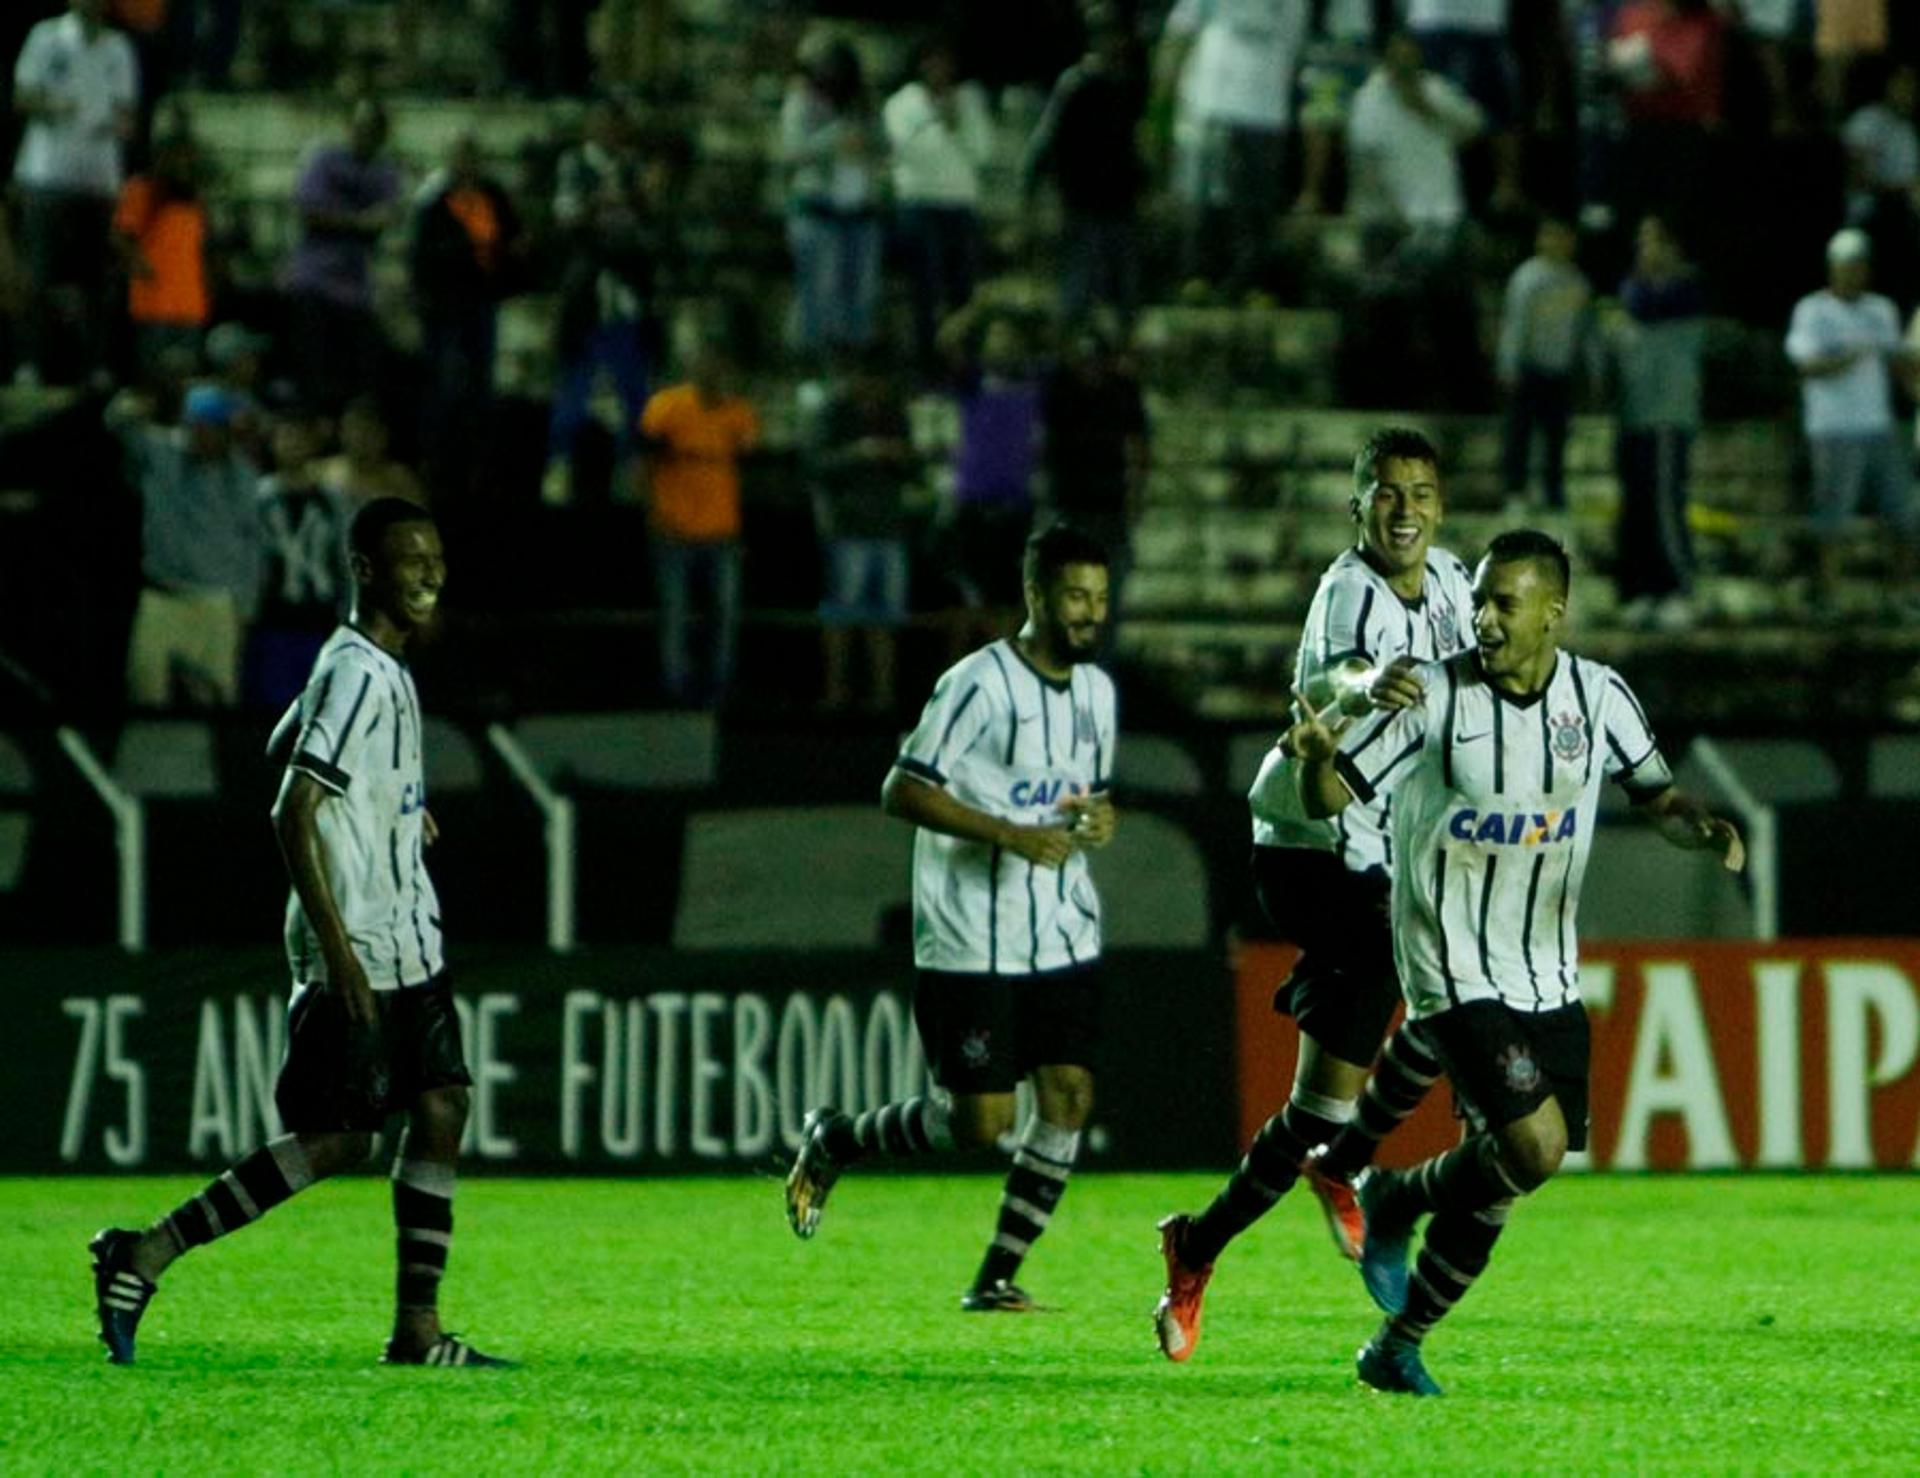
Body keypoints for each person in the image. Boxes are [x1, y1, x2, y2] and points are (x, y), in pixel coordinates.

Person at [1288, 527, 1743, 1396]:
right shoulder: (1433, 698)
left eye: (1503, 603)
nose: (1483, 619)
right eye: (1480, 600)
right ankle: (1388, 1197)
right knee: (1530, 1146)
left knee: (1507, 1179)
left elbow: (1657, 793)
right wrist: (1314, 766)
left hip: (1546, 966)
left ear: (1553, 614)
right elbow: (1334, 791)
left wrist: (1701, 827)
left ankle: (1398, 1339)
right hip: (1447, 956)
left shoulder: (1600, 698)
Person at [90, 497, 511, 1369]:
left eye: (436, 556)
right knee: (338, 1139)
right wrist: (338, 944)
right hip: (355, 937)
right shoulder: (357, 670)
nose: (431, 572)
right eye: (410, 559)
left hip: (408, 938)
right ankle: (144, 1253)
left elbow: (287, 741)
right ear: (364, 569)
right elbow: (291, 806)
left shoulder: (376, 667)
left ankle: (418, 1333)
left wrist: (397, 803)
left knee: (441, 1106)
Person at [1152, 426, 1476, 1363]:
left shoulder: (1453, 585)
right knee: (1422, 964)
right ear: (1358, 504)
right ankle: (1354, 1170)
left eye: (1420, 490)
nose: (1404, 507)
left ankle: (1198, 1245)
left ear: (1440, 505)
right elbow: (1337, 673)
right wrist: (1376, 684)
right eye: (1386, 491)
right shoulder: (1347, 591)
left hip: (1381, 858)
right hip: (1306, 841)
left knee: (1316, 1111)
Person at [784, 523, 1118, 1313]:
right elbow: (902, 787)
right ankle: (837, 1140)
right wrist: (1007, 832)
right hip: (972, 935)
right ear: (1036, 595)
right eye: (1075, 596)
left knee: (1068, 1096)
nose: (1089, 614)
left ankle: (997, 1277)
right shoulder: (978, 683)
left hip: (1061, 929)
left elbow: (1083, 798)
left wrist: (1099, 822)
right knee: (980, 1124)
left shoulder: (1099, 692)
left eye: (1100, 599)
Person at [1786, 227, 1918, 608]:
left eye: (1859, 266)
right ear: (1833, 269)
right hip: (1833, 430)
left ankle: (1901, 596)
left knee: (1905, 514)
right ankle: (1828, 596)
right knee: (1833, 518)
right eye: (1846, 266)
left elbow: (1898, 361)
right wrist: (1848, 357)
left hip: (1878, 427)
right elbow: (1806, 364)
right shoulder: (1812, 311)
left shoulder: (1881, 310)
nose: (1853, 273)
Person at [11, 0, 139, 386]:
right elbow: (22, 97)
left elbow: (127, 113)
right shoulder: (46, 37)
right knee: (41, 277)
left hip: (98, 179)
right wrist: (56, 106)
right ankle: (31, 363)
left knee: (96, 281)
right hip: (48, 175)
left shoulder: (118, 47)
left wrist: (115, 123)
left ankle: (94, 366)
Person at [115, 382, 263, 709]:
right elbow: (117, 423)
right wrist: (131, 405)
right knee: (146, 696)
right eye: (196, 426)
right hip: (162, 596)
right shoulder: (161, 452)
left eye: (213, 428)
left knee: (216, 698)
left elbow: (251, 545)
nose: (204, 435)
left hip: (216, 602)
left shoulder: (242, 475)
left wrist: (246, 606)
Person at [638, 344, 759, 706]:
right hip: (674, 530)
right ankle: (675, 688)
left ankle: (720, 688)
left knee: (725, 615)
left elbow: (750, 456)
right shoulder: (667, 406)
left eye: (721, 368)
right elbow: (644, 462)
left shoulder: (738, 412)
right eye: (708, 366)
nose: (715, 374)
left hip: (722, 531)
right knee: (675, 615)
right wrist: (653, 518)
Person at [409, 132, 526, 503]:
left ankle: (478, 468)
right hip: (445, 306)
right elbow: (424, 251)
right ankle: (438, 464)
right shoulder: (435, 198)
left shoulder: (493, 195)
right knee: (444, 387)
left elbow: (512, 238)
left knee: (480, 387)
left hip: (481, 303)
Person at [806, 351, 918, 714]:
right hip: (847, 529)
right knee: (841, 615)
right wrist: (859, 453)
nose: (871, 386)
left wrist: (900, 456)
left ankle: (881, 696)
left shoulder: (894, 415)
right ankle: (836, 693)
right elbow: (815, 465)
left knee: (885, 618)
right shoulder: (833, 413)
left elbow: (913, 467)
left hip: (888, 529)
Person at [1021, 11, 1148, 325]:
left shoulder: (1127, 85)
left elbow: (1132, 147)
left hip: (1120, 205)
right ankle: (1069, 358)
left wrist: (1142, 188)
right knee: (1077, 290)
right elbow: (1046, 140)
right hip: (1083, 205)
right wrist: (1033, 191)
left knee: (1126, 296)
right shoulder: (1075, 84)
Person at [1611, 214, 1705, 629]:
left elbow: (1646, 306)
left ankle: (1680, 588)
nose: (1645, 250)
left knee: (1666, 502)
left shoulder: (1687, 289)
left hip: (1667, 414)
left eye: (1654, 241)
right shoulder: (1633, 287)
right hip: (1633, 414)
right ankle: (1642, 590)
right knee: (1636, 504)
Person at [281, 99, 403, 411]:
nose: (364, 135)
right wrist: (358, 221)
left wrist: (341, 219)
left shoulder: (385, 172)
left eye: (372, 129)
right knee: (311, 377)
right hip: (314, 282)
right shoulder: (325, 160)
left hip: (356, 291)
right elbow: (309, 211)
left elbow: (386, 217)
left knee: (355, 384)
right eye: (359, 127)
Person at [883, 39, 995, 367]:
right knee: (926, 293)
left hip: (960, 207)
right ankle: (927, 366)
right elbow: (908, 151)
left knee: (963, 295)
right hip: (920, 206)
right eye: (934, 62)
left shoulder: (969, 101)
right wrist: (943, 136)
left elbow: (983, 151)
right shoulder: (902, 104)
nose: (941, 70)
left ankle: (965, 367)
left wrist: (956, 128)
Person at [777, 35, 886, 356]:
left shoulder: (865, 104)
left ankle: (853, 362)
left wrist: (866, 138)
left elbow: (887, 146)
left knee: (860, 295)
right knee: (818, 294)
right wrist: (835, 138)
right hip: (816, 209)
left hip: (859, 211)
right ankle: (812, 362)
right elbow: (793, 150)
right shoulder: (801, 102)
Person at [1497, 215, 1593, 517]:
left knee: (1556, 434)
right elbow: (1515, 324)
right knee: (1520, 432)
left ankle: (1553, 490)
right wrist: (1509, 364)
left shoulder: (1578, 282)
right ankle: (1515, 490)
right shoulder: (1527, 278)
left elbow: (1586, 332)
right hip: (1529, 368)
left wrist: (1593, 369)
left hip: (1560, 370)